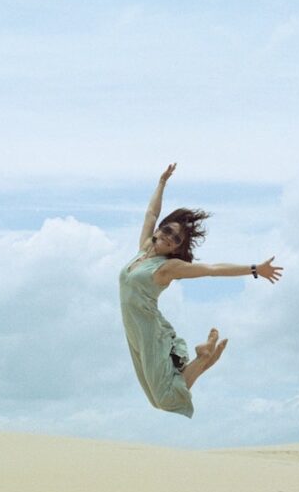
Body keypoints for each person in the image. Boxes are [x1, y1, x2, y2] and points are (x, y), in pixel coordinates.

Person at [119, 163, 283, 417]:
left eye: (176, 240)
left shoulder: (168, 267)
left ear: (176, 249)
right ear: (160, 229)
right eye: (168, 231)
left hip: (149, 330)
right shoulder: (143, 250)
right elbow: (151, 213)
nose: (170, 238)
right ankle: (203, 358)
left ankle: (202, 358)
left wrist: (254, 269)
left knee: (165, 398)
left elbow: (212, 269)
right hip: (133, 329)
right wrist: (161, 182)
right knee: (156, 399)